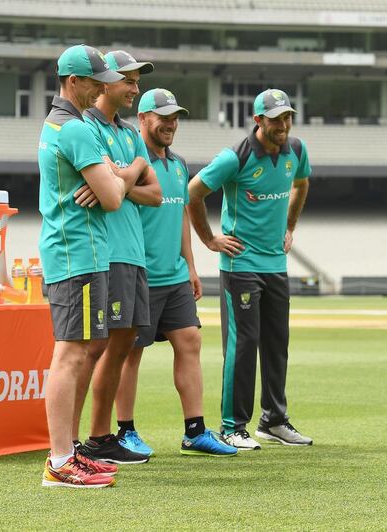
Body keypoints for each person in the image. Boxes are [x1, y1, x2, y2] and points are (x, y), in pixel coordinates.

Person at [114, 88, 237, 457]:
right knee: (128, 353)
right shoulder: (130, 161)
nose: (171, 123)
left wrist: (191, 267)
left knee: (190, 342)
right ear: (143, 119)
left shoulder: (179, 164)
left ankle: (195, 431)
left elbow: (181, 215)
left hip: (174, 276)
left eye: (175, 117)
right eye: (163, 116)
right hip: (139, 274)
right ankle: (124, 432)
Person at [187, 88, 312, 450]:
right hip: (240, 263)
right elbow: (193, 192)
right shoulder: (235, 158)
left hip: (275, 262)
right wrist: (210, 239)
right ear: (258, 121)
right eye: (275, 120)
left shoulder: (297, 152)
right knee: (244, 343)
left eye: (288, 118)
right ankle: (232, 425)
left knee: (277, 343)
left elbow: (301, 184)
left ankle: (274, 420)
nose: (283, 126)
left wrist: (290, 226)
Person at [38, 44, 137, 488]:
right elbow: (115, 198)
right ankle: (60, 461)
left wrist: (115, 175)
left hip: (81, 252)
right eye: (95, 82)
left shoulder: (60, 124)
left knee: (79, 352)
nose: (102, 88)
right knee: (71, 354)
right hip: (78, 253)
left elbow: (115, 185)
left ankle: (68, 452)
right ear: (73, 82)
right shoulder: (75, 130)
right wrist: (113, 179)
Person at [76, 50, 160, 464]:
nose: (135, 88)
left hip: (133, 253)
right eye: (129, 80)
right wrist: (134, 171)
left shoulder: (129, 135)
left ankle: (99, 438)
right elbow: (115, 184)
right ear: (106, 81)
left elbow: (156, 194)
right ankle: (70, 442)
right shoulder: (85, 127)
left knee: (121, 344)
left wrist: (124, 174)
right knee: (92, 347)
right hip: (104, 252)